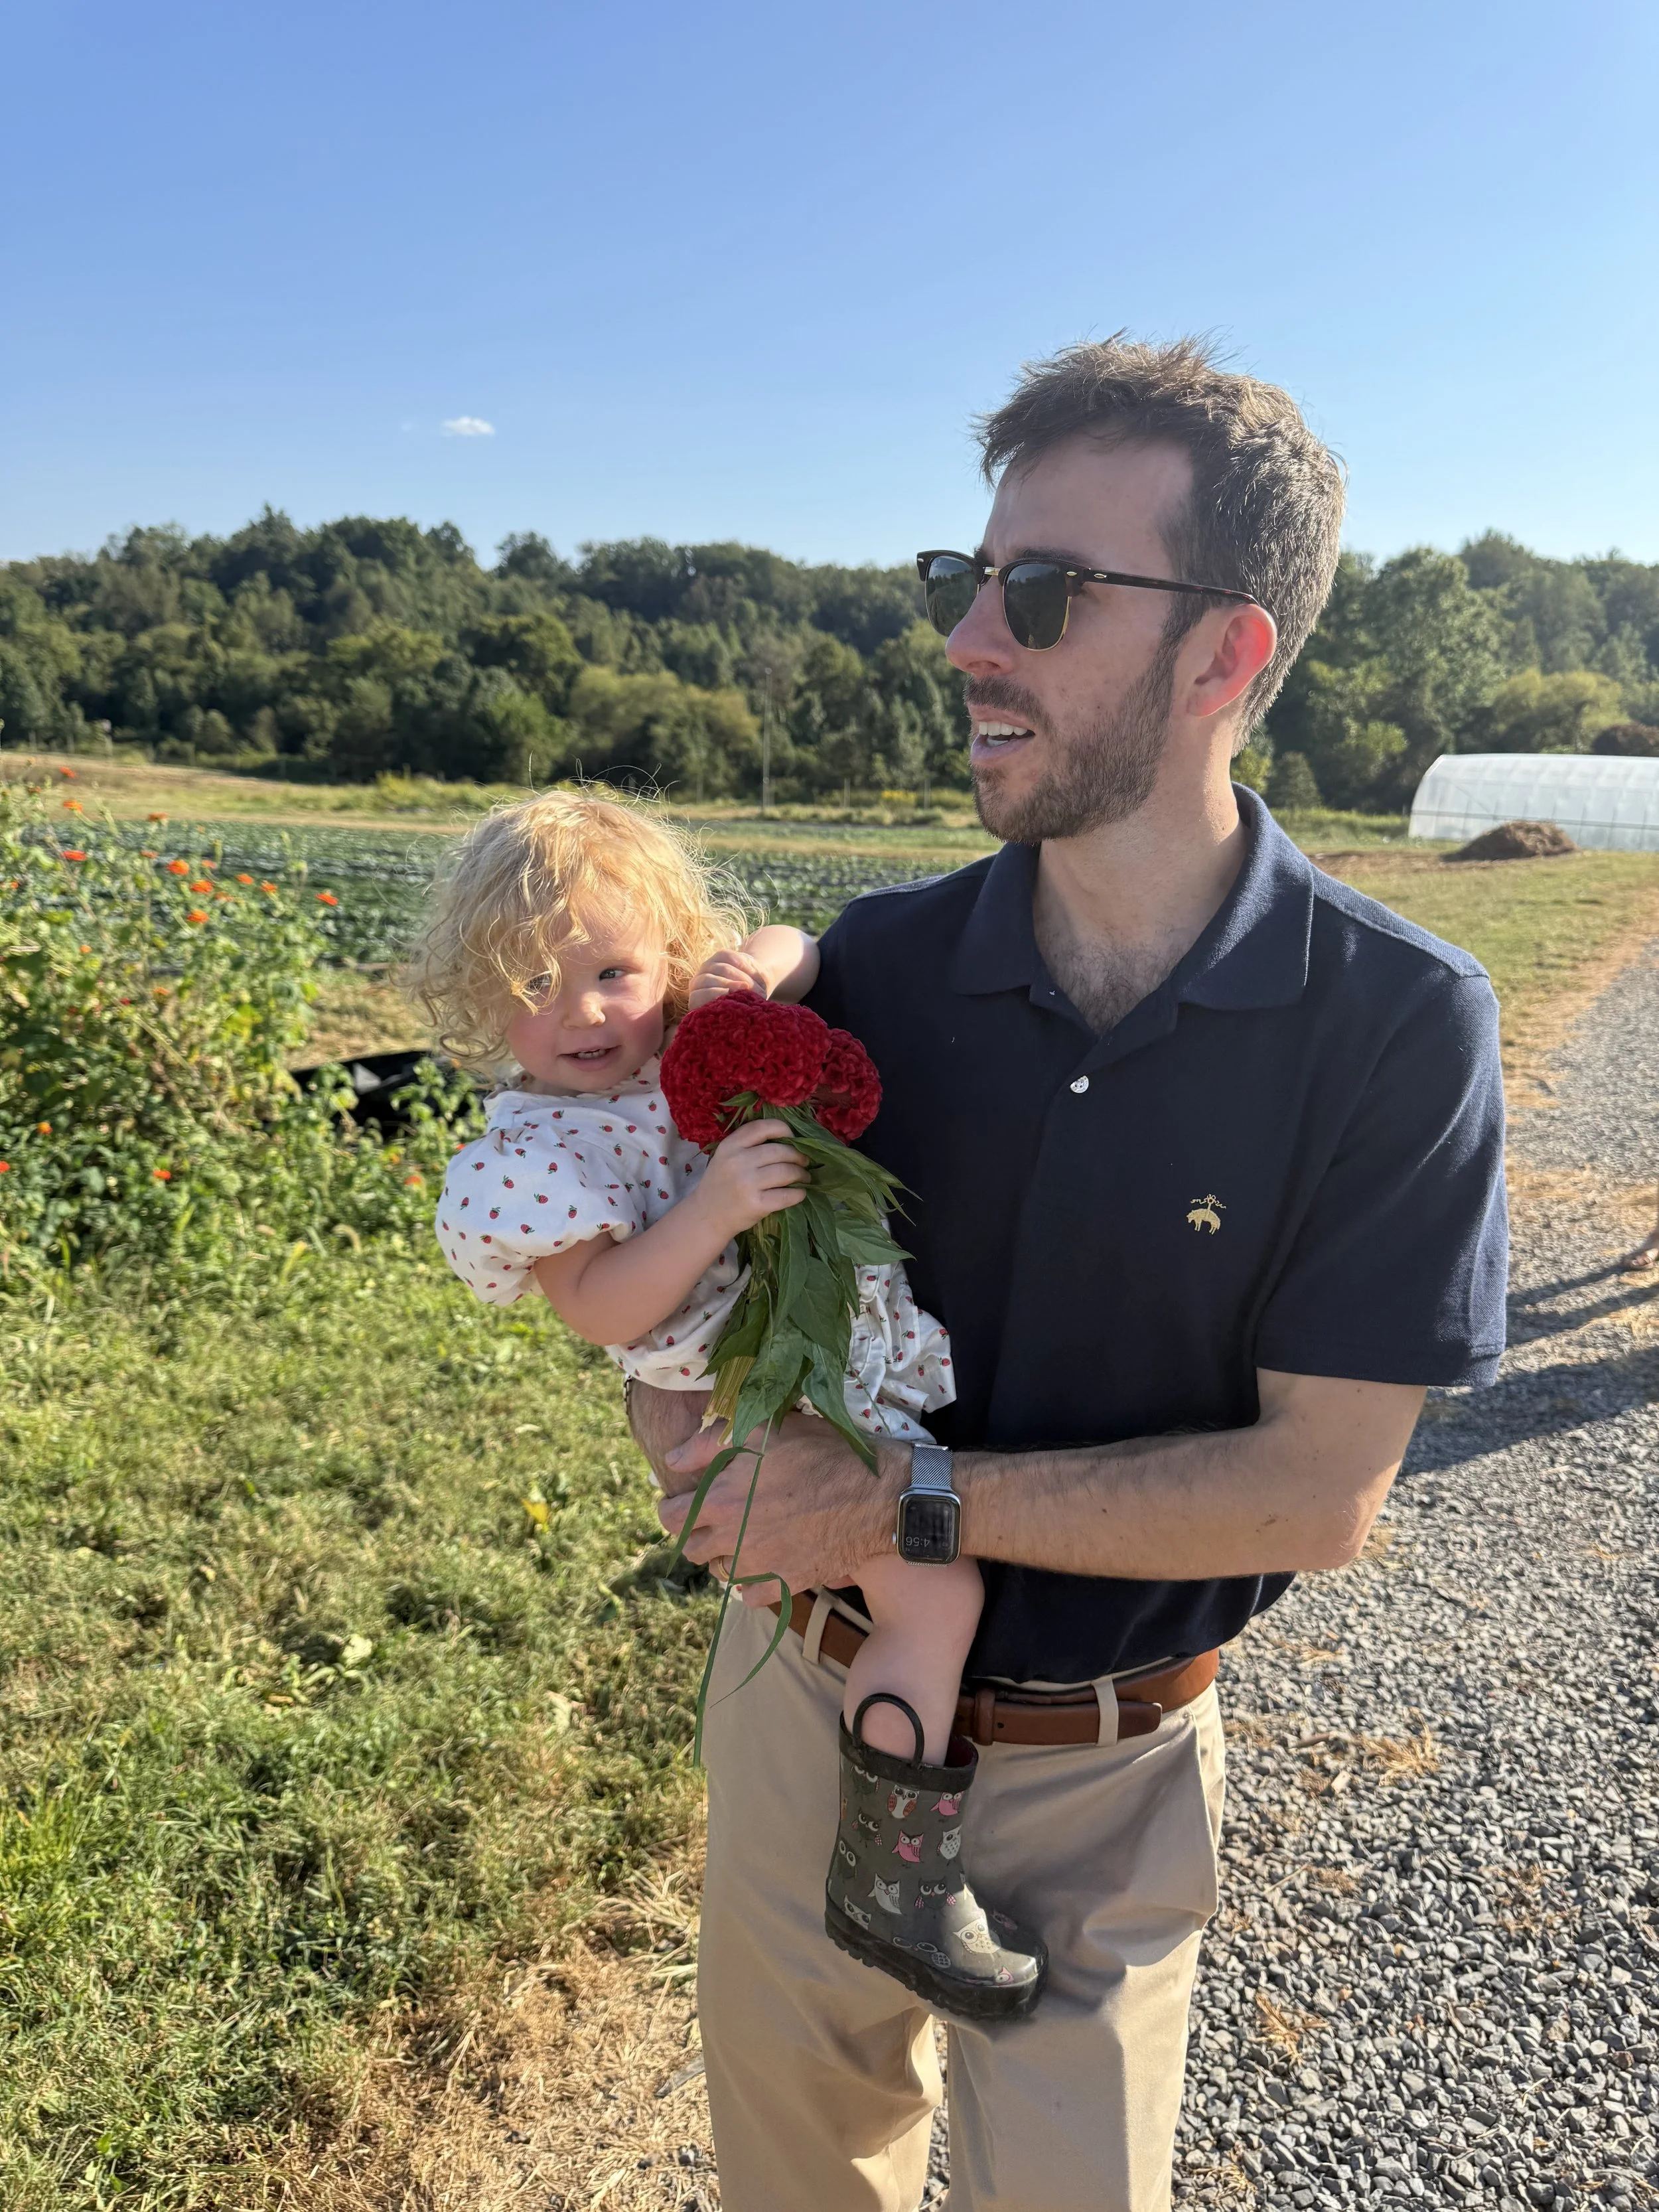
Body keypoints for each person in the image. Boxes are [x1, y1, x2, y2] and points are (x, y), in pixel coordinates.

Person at [635, 336, 1509, 2212]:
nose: (967, 639)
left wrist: (902, 1495)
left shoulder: (1393, 1026)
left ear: (1223, 656)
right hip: (810, 1694)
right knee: (792, 2183)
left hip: (1106, 1770)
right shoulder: (869, 965)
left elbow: (1317, 1490)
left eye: (1040, 592)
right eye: (964, 581)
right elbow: (697, 1262)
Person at [410, 789, 1046, 2018]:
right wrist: (712, 1212)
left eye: (612, 971)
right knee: (934, 1580)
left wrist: (738, 979)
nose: (580, 1013)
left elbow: (801, 948)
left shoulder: (692, 1047)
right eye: (530, 985)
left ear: (666, 953)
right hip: (735, 1388)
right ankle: (895, 1873)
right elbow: (599, 1306)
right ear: (476, 1000)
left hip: (804, 1348)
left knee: (857, 1589)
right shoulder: (531, 1156)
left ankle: (870, 1817)